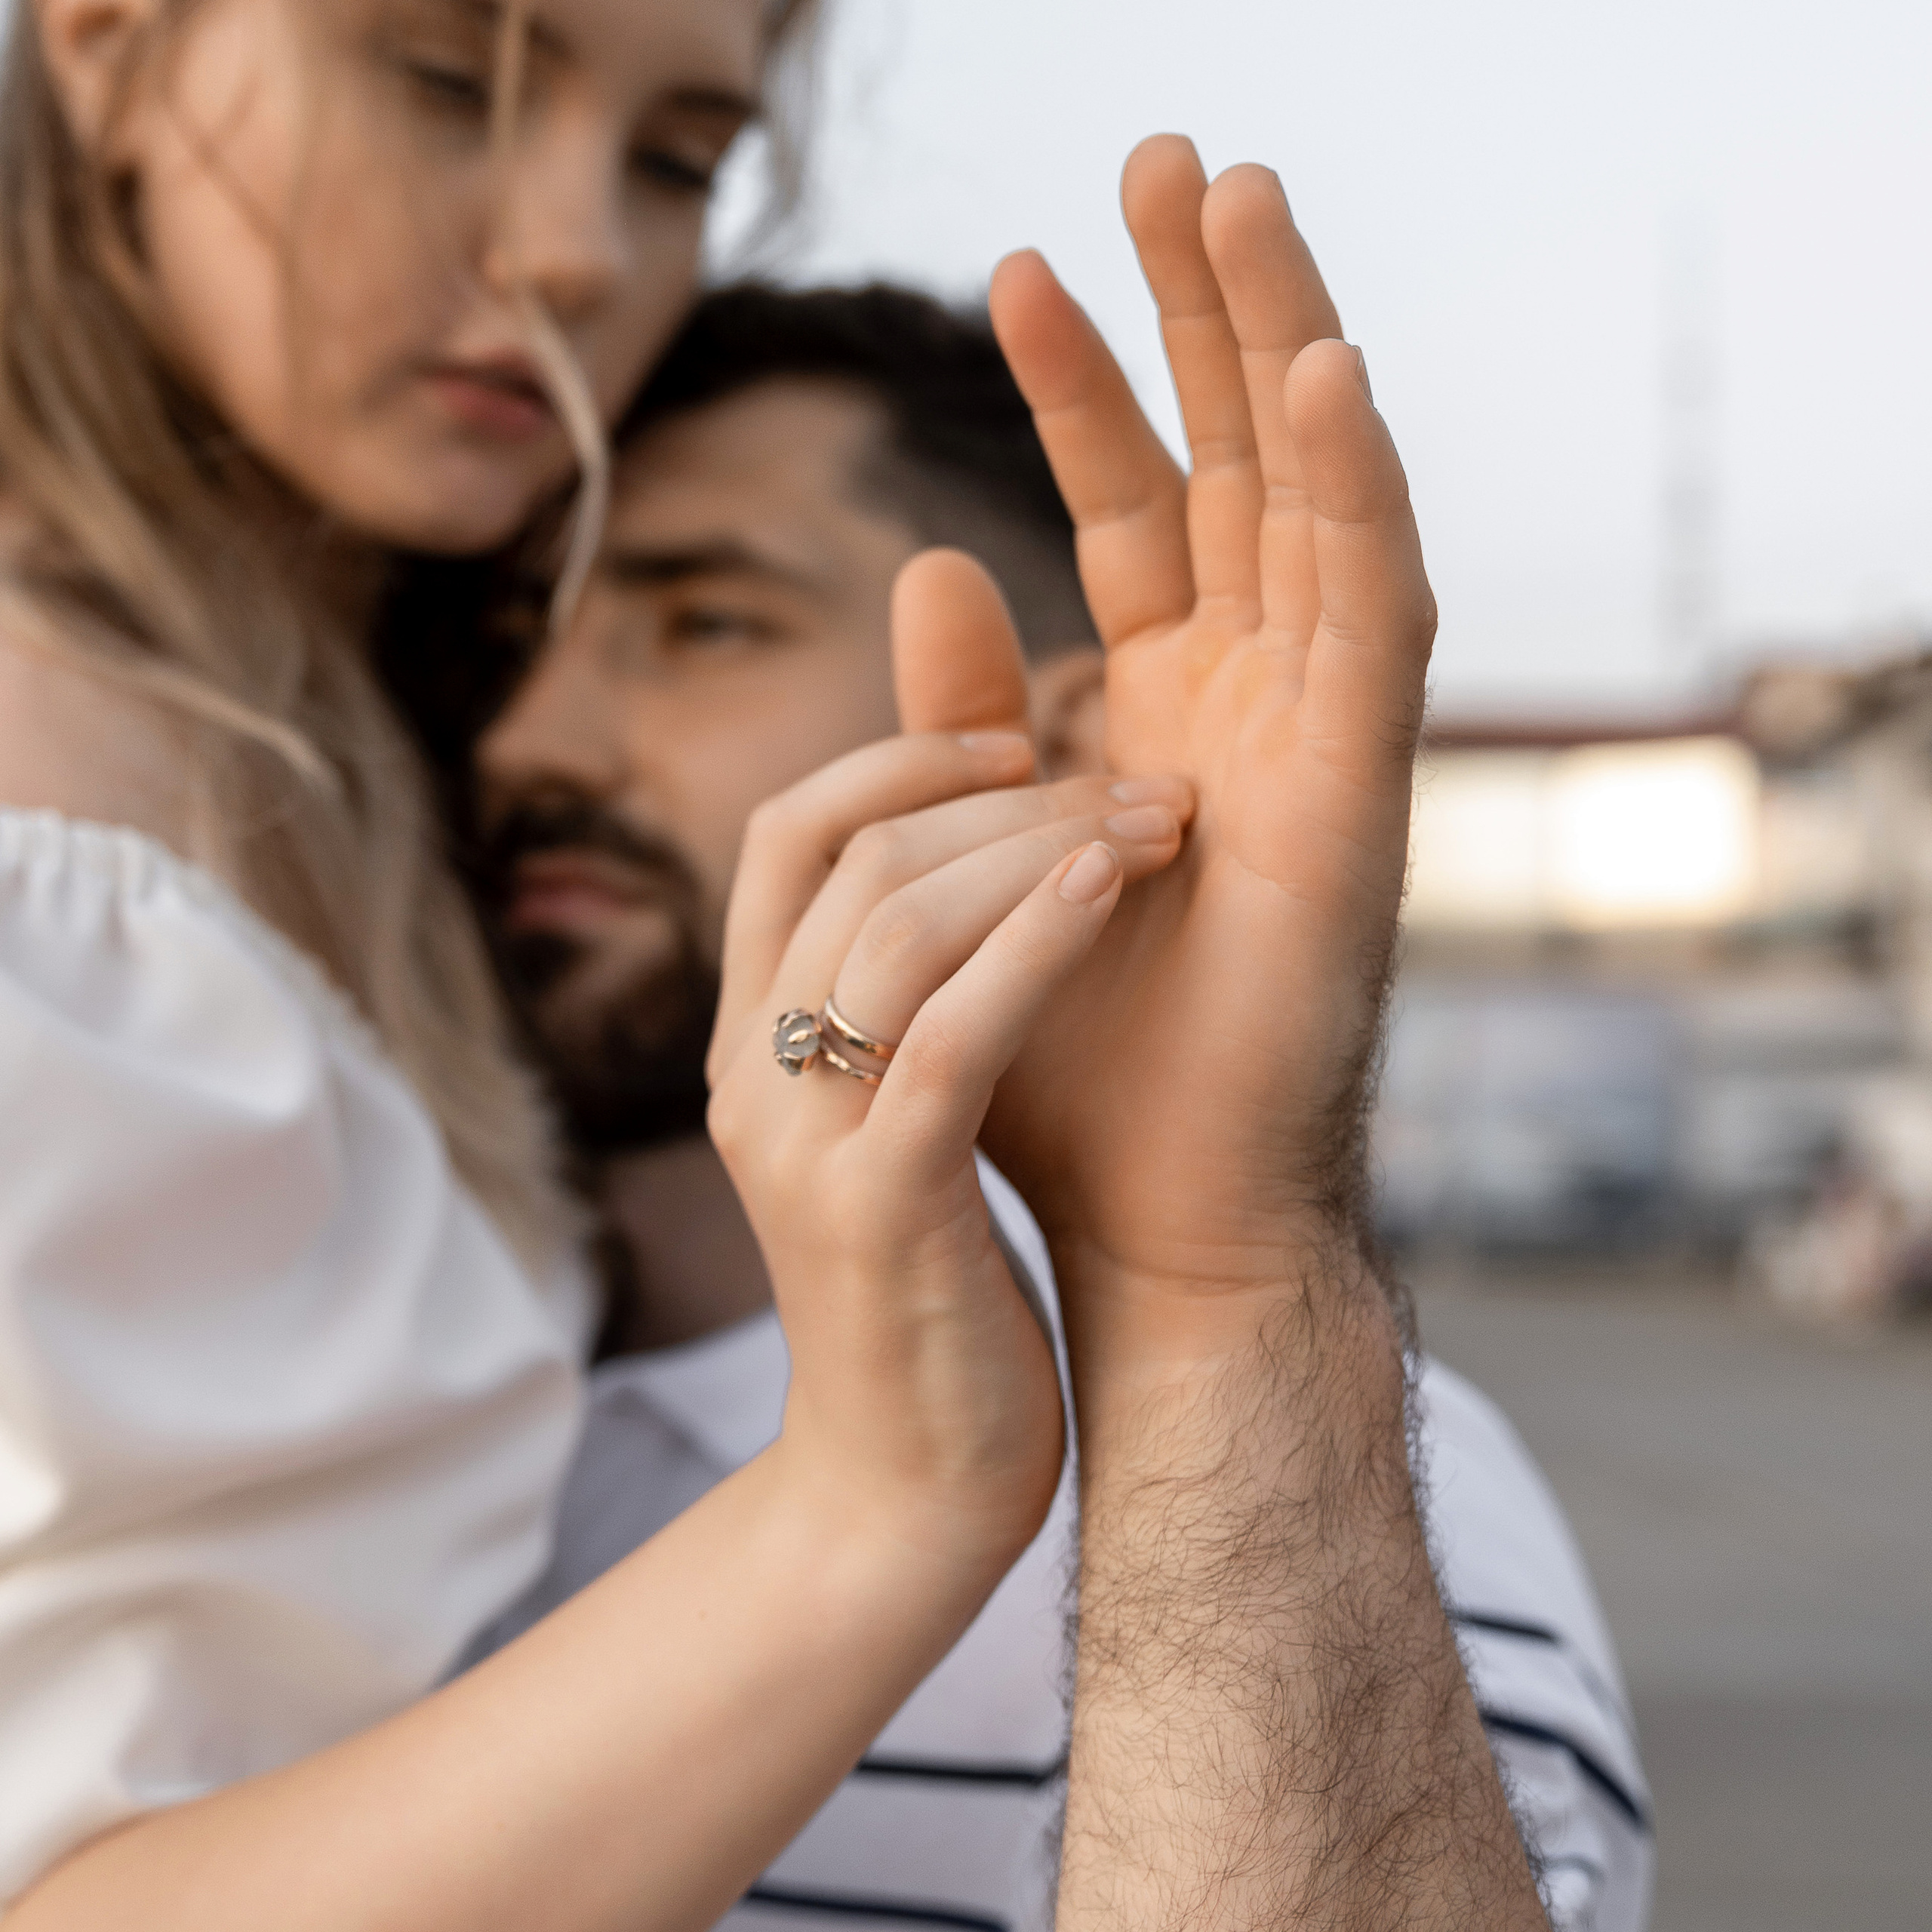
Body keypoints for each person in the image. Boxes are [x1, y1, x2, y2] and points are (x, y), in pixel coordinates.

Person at [0, 2, 1174, 1922]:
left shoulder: (348, 758)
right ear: (112, 37)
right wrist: (872, 1493)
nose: (574, 252)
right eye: (443, 79)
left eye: (677, 158)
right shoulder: (52, 824)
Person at [466, 281, 1654, 1932]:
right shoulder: (355, 1405)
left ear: (1064, 739)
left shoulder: (1326, 1507)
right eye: (502, 645)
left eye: (703, 623)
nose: (524, 741)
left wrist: (1202, 1278)